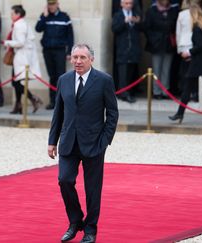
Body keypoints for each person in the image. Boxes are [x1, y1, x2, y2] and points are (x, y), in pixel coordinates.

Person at [48, 44, 119, 243]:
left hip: (94, 144)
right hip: (68, 142)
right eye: (75, 57)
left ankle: (90, 230)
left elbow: (112, 113)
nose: (78, 61)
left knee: (92, 189)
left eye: (82, 57)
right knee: (64, 180)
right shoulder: (63, 80)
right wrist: (52, 141)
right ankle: (75, 220)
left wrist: (105, 140)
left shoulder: (104, 81)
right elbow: (58, 113)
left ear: (91, 60)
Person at [169, 5, 202, 125]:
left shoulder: (197, 28)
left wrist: (188, 52)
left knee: (187, 89)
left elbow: (200, 46)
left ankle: (180, 113)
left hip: (197, 63)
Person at [2, 5, 43, 114]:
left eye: (12, 14)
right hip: (22, 56)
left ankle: (33, 98)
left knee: (15, 82)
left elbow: (20, 42)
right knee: (16, 81)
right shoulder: (21, 24)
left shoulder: (19, 25)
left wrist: (6, 42)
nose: (11, 16)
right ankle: (19, 105)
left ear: (18, 14)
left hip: (22, 57)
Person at [35, 0, 73, 110]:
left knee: (61, 76)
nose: (51, 7)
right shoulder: (45, 16)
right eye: (49, 5)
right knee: (52, 77)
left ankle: (62, 102)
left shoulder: (64, 17)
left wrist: (70, 51)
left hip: (60, 51)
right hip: (48, 50)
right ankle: (53, 101)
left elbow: (70, 35)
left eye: (53, 4)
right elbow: (38, 29)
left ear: (57, 4)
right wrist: (44, 16)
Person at [144, 0, 179, 99]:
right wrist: (153, 39)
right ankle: (156, 91)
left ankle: (165, 91)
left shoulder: (172, 11)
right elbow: (147, 27)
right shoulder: (151, 11)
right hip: (156, 44)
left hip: (169, 44)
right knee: (156, 68)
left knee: (166, 69)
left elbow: (175, 25)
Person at [112, 0, 143, 103]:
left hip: (133, 49)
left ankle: (127, 92)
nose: (129, 5)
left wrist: (138, 22)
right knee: (123, 73)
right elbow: (114, 28)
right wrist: (124, 21)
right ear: (121, 4)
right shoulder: (118, 15)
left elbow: (142, 29)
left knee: (130, 73)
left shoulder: (135, 14)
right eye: (126, 3)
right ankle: (123, 94)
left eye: (130, 3)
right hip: (123, 49)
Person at [176, 0, 202, 102]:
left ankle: (185, 92)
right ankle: (194, 93)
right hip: (193, 45)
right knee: (194, 71)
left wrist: (179, 48)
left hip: (184, 44)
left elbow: (178, 32)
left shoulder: (182, 14)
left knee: (186, 71)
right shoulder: (198, 13)